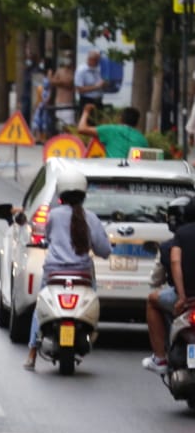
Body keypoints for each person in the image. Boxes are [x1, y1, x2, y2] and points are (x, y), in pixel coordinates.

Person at [24, 170, 109, 371]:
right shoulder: (92, 218)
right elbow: (104, 250)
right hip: (83, 275)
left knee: (39, 308)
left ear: (60, 193)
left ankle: (32, 353)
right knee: (93, 296)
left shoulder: (53, 216)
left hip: (54, 274)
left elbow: (46, 237)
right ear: (84, 194)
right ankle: (90, 329)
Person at [144, 197, 194, 372]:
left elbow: (175, 263)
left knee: (152, 300)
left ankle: (159, 358)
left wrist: (182, 296)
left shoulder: (179, 237)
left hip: (184, 298)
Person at [77, 104, 148, 159]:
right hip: (133, 174)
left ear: (120, 119)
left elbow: (81, 129)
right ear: (137, 122)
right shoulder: (142, 139)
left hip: (112, 172)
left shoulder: (111, 130)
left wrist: (86, 111)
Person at [49, 56, 77, 128]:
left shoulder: (73, 72)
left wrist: (51, 77)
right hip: (59, 102)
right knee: (59, 124)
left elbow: (68, 83)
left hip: (68, 102)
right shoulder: (59, 71)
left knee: (69, 124)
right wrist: (54, 80)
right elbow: (52, 82)